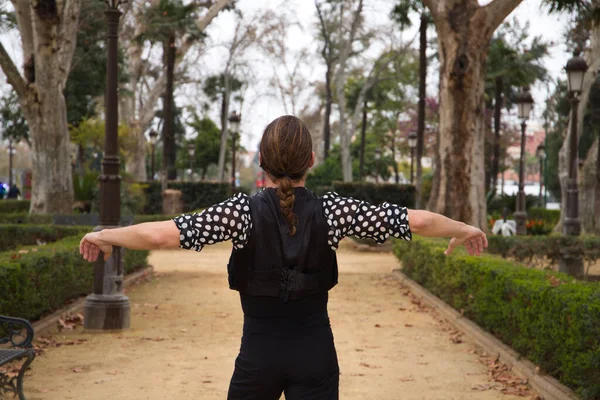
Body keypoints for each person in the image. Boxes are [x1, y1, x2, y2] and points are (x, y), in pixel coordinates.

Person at [80, 115, 487, 400]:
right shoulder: (334, 211)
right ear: (311, 161)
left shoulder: (239, 213)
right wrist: (464, 228)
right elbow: (416, 221)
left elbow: (165, 233)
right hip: (316, 355)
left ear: (262, 162)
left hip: (258, 357)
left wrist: (106, 235)